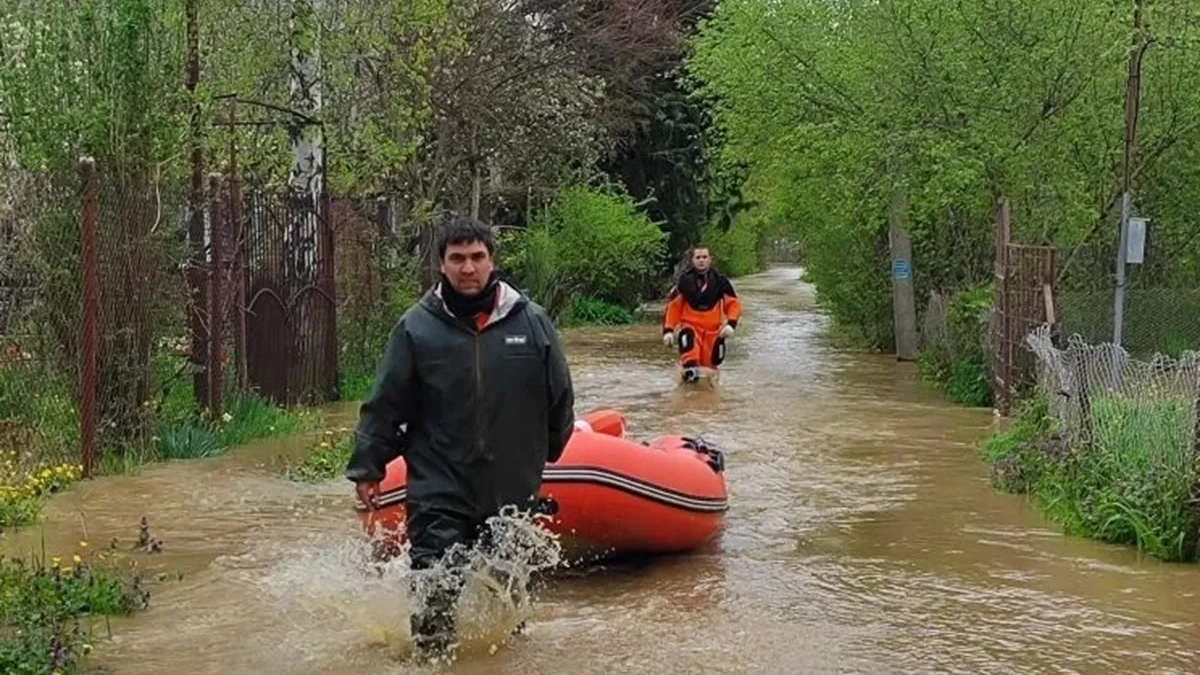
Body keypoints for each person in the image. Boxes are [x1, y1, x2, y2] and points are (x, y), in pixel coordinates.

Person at [344, 214, 576, 661]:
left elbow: (559, 397)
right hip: (439, 484)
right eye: (457, 259)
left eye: (477, 257)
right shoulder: (417, 328)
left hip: (510, 486)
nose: (468, 268)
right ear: (441, 265)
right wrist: (367, 466)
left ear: (492, 261)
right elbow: (386, 401)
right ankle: (432, 663)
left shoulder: (531, 323)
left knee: (507, 605)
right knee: (433, 591)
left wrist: (549, 449)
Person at [662, 245, 742, 383]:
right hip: (690, 328)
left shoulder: (721, 281)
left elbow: (733, 304)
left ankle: (709, 400)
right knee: (690, 365)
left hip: (713, 332)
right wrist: (668, 330)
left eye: (704, 257)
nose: (701, 260)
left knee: (711, 368)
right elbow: (674, 307)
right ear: (692, 260)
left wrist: (731, 324)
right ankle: (686, 397)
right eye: (698, 257)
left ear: (710, 259)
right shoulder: (684, 281)